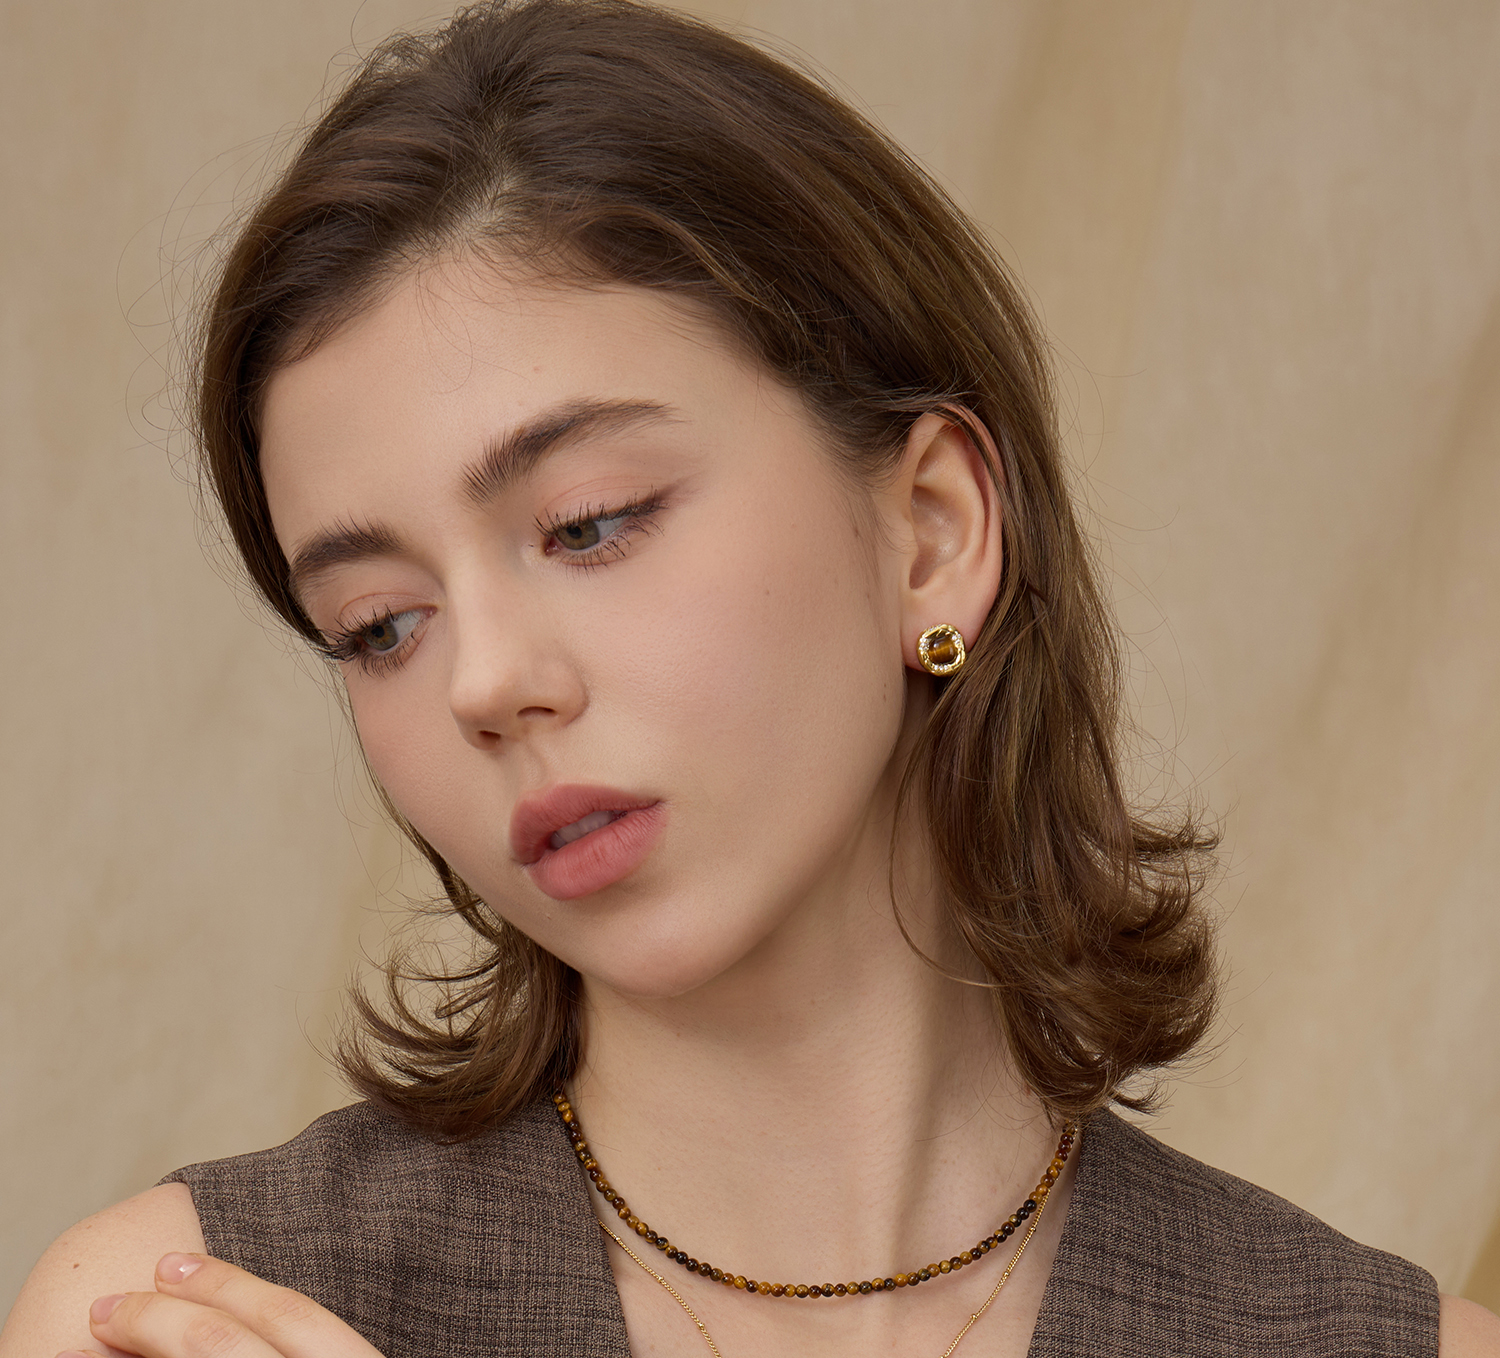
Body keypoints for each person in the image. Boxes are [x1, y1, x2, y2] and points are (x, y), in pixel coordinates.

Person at [3, 1, 1497, 1355]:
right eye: (382, 624)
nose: (486, 682)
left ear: (931, 531)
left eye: (591, 523)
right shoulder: (176, 1319)